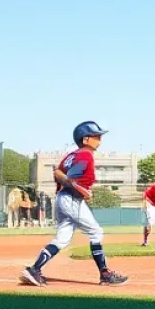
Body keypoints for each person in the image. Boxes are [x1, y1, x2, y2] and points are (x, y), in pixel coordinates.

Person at [20, 121, 126, 286]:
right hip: (72, 199)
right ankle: (105, 274)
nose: (99, 139)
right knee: (96, 233)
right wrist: (79, 187)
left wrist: (74, 185)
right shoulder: (85, 155)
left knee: (62, 239)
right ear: (85, 139)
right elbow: (71, 177)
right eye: (96, 136)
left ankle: (34, 269)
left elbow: (57, 172)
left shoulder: (72, 155)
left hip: (64, 198)